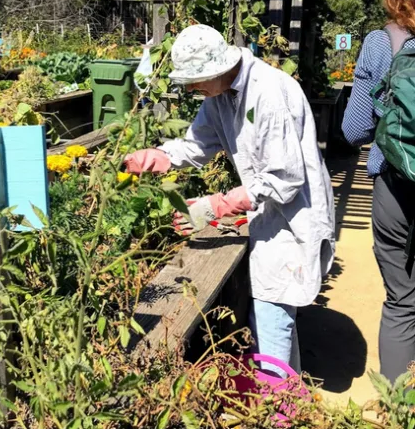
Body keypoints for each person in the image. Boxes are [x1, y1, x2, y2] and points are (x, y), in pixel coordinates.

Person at [125, 24, 335, 373]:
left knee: (271, 312)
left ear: (219, 68)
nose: (193, 89)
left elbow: (285, 177)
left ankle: (278, 410)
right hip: (269, 216)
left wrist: (217, 205)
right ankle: (289, 397)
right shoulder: (220, 95)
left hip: (294, 215)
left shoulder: (267, 92)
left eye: (196, 80)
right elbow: (198, 143)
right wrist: (158, 157)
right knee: (275, 311)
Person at [342, 0, 415, 383]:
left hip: (395, 185)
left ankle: (399, 408)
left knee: (403, 301)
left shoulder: (380, 43)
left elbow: (353, 131)